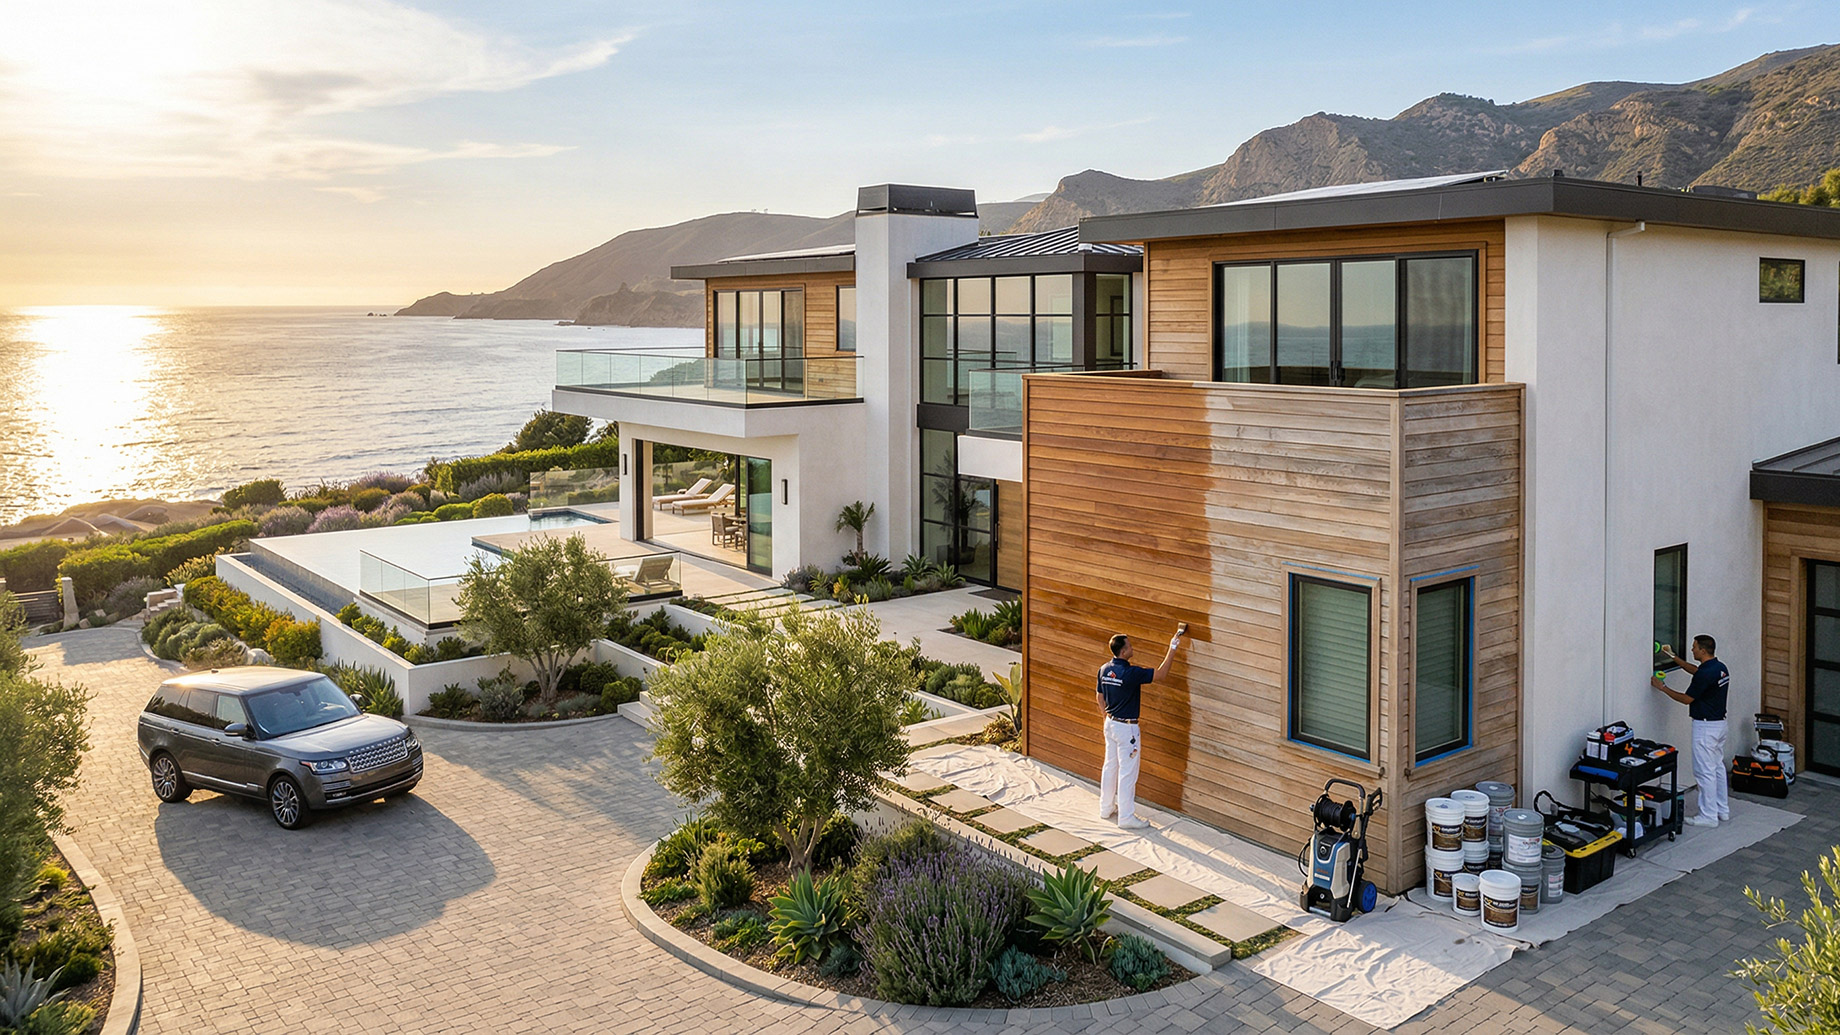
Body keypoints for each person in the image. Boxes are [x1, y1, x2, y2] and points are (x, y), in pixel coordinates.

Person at [1096, 626, 1185, 830]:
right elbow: (1161, 675)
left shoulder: (1104, 669)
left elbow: (1099, 696)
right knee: (1128, 771)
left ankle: (1106, 807)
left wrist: (1106, 717)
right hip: (1127, 729)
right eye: (1130, 646)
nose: (1132, 647)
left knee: (1110, 766)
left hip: (1110, 724)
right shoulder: (1130, 673)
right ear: (1124, 652)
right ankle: (1126, 817)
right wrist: (1173, 646)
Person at [1650, 634, 1731, 827]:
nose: (1692, 649)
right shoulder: (1719, 668)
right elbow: (1696, 671)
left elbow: (1687, 699)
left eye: (1694, 647)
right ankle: (1722, 810)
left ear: (1703, 650)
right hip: (1720, 725)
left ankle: (1708, 816)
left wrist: (1663, 687)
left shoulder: (1706, 674)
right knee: (1717, 767)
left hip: (1705, 728)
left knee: (1705, 772)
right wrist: (1673, 657)